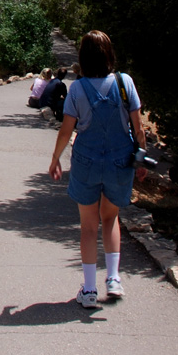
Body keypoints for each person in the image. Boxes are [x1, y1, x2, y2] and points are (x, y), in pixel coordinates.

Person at [47, 31, 147, 307]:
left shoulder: (77, 89)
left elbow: (67, 130)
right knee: (110, 218)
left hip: (86, 161)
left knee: (88, 226)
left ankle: (89, 289)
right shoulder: (124, 83)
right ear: (108, 54)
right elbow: (138, 129)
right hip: (119, 161)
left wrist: (55, 159)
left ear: (83, 57)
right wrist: (141, 158)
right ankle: (113, 279)